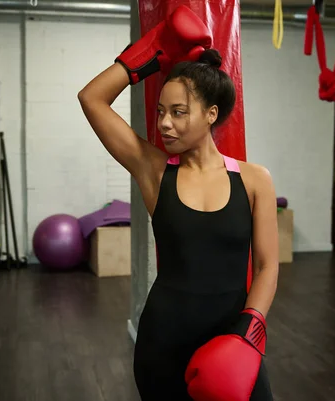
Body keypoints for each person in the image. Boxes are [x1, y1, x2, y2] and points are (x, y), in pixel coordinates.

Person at [78, 6, 278, 401]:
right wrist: (151, 49)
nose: (164, 123)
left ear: (211, 114)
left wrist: (248, 334)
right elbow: (92, 98)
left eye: (179, 112)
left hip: (232, 337)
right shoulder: (154, 170)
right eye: (161, 112)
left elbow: (269, 265)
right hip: (163, 345)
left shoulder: (255, 180)